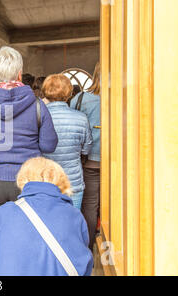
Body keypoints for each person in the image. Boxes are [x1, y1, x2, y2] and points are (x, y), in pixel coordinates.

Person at [0, 46, 58, 230]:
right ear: (19, 73)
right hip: (27, 178)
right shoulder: (38, 105)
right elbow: (48, 146)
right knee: (26, 231)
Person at [0, 157, 94, 276]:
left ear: (22, 179)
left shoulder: (5, 211)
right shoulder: (74, 215)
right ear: (61, 181)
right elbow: (84, 263)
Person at [42, 74, 93, 209]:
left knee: (47, 226)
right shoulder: (81, 118)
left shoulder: (38, 118)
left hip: (46, 182)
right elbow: (86, 149)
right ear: (69, 93)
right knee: (72, 223)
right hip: (72, 182)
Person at [70, 62, 101, 250]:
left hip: (90, 161)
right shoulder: (126, 97)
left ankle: (88, 248)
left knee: (89, 206)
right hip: (120, 163)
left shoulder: (80, 99)